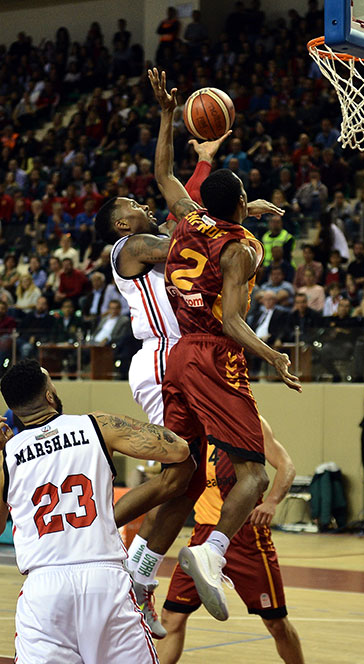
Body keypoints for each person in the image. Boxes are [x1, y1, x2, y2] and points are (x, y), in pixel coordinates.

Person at [113, 69, 300, 624]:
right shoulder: (242, 245)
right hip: (214, 356)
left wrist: (168, 115)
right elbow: (237, 320)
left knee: (186, 475)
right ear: (240, 203)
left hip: (177, 357)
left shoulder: (191, 221)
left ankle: (138, 571)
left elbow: (163, 173)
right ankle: (210, 551)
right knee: (255, 475)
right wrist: (273, 356)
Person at [0, 359, 190, 664]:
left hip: (44, 589)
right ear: (49, 394)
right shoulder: (97, 426)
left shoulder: (7, 457)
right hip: (104, 579)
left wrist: (6, 455)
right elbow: (178, 450)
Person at [157, 418, 316, 664]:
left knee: (276, 622)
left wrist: (271, 502)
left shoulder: (247, 420)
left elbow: (286, 466)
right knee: (172, 617)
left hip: (246, 536)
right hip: (202, 535)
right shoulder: (190, 425)